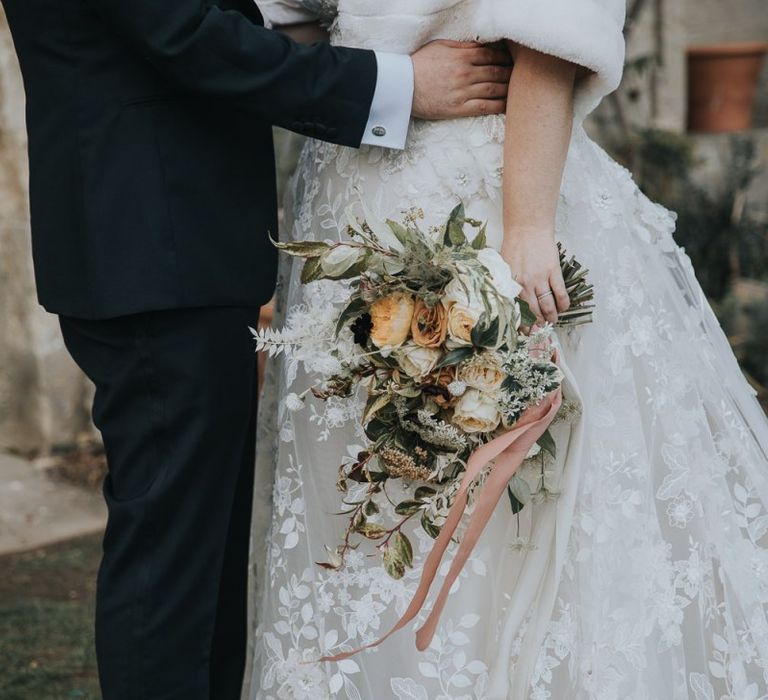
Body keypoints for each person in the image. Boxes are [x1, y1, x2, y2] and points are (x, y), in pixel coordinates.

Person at [250, 1, 768, 698]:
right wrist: (372, 74)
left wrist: (526, 227)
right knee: (370, 484)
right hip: (352, 194)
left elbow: (551, 35)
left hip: (481, 195)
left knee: (498, 490)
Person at [1, 0, 513, 697]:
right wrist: (394, 87)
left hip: (166, 247)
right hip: (154, 250)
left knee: (196, 559)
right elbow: (184, 34)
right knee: (170, 567)